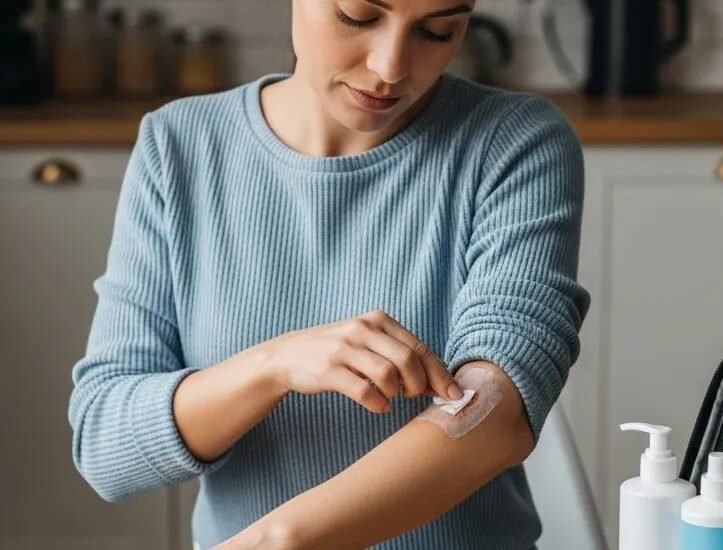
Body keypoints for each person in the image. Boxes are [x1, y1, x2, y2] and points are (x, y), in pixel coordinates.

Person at [66, 0, 591, 548]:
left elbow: (497, 412)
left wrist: (279, 540)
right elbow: (106, 447)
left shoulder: (516, 142)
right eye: (358, 17)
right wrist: (272, 366)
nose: (391, 67)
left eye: (437, 32)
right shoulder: (178, 146)